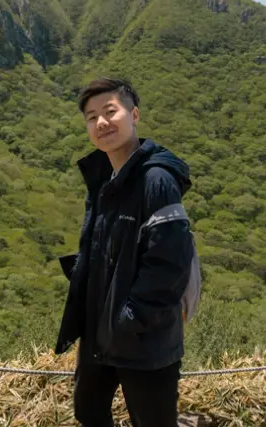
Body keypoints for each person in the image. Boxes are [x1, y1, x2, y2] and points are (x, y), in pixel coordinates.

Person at [54, 77, 195, 427]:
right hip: (100, 332)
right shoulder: (104, 177)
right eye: (91, 117)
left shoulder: (156, 180)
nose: (101, 123)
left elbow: (168, 263)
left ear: (134, 115)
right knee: (88, 412)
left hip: (143, 339)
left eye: (110, 112)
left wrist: (130, 320)